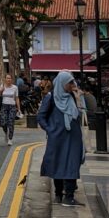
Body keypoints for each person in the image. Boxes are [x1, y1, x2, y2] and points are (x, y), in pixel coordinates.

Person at [38, 71, 86, 206]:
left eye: (72, 82)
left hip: (74, 137)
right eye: (69, 82)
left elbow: (81, 114)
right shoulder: (51, 97)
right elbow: (41, 117)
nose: (72, 84)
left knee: (73, 162)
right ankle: (58, 194)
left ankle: (69, 196)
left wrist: (78, 98)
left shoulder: (72, 96)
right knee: (57, 163)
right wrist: (50, 130)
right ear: (62, 83)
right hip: (58, 137)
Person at [0, 73, 20, 145]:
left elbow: (17, 98)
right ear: (5, 79)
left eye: (10, 78)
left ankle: (10, 139)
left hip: (12, 106)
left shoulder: (15, 87)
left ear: (12, 79)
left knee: (11, 123)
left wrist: (19, 109)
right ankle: (6, 133)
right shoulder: (2, 86)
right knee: (3, 123)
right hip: (4, 106)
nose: (9, 79)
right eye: (7, 78)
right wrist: (1, 90)